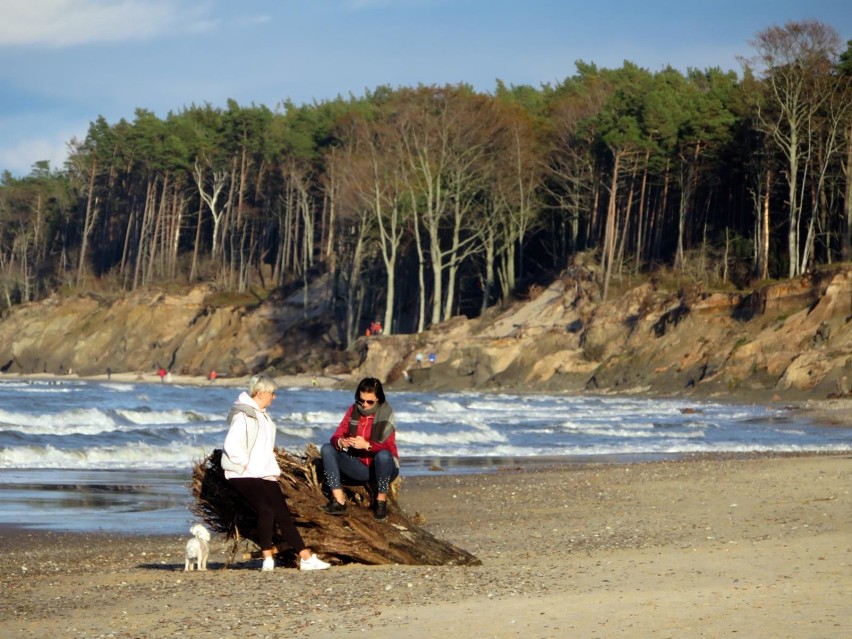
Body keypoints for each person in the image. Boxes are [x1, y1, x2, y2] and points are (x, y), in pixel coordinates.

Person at [221, 374, 330, 572]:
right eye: (272, 393)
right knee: (266, 508)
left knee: (282, 514)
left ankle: (304, 557)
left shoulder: (262, 415)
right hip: (242, 474)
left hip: (264, 472)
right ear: (261, 393)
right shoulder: (244, 415)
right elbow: (231, 445)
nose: (274, 397)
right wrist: (245, 464)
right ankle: (267, 558)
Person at [320, 377, 399, 521]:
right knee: (327, 449)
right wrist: (341, 442)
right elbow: (336, 436)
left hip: (385, 467)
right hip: (359, 466)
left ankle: (381, 501)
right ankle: (339, 500)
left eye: (369, 401)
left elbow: (388, 446)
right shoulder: (353, 410)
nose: (364, 405)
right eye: (361, 400)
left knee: (383, 455)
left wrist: (367, 445)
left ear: (378, 400)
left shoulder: (387, 413)